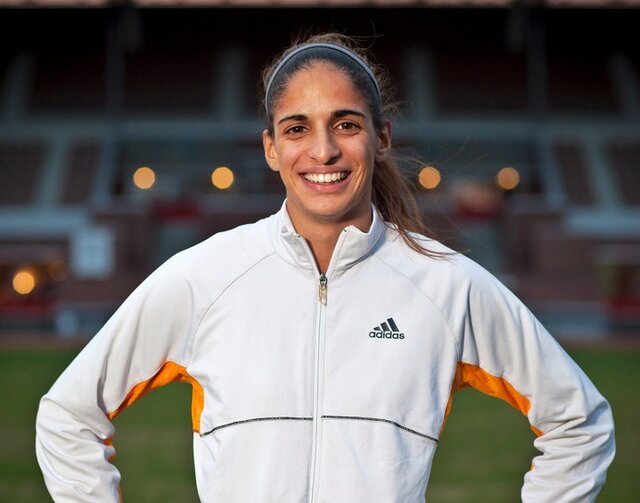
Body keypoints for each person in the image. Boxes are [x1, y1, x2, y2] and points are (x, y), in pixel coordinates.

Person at [36, 33, 615, 502]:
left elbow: (580, 423)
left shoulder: (446, 284)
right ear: (270, 148)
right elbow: (68, 416)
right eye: (297, 128)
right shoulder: (203, 277)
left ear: (381, 139)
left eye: (346, 124)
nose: (323, 151)